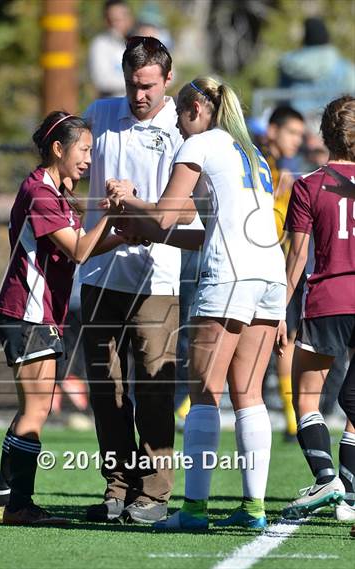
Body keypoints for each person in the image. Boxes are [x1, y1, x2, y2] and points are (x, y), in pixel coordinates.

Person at [110, 76, 287, 530]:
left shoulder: (201, 143)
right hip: (269, 278)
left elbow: (168, 211)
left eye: (179, 116)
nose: (178, 125)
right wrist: (146, 230)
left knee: (204, 393)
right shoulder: (252, 154)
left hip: (227, 279)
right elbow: (204, 231)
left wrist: (130, 201)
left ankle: (193, 511)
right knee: (248, 395)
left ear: (195, 108)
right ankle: (253, 509)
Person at [0, 112, 125, 525]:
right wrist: (114, 217)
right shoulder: (41, 193)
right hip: (27, 313)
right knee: (36, 409)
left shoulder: (53, 190)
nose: (88, 159)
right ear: (58, 149)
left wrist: (116, 234)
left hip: (36, 312)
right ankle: (17, 507)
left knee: (34, 407)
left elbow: (77, 243)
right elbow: (79, 250)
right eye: (83, 149)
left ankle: (4, 499)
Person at [80, 36, 186, 525]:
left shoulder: (182, 127)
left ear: (167, 79)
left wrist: (137, 202)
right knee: (106, 386)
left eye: (146, 86)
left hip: (157, 274)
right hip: (100, 269)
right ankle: (116, 485)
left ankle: (156, 492)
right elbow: (68, 164)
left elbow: (182, 208)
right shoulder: (100, 113)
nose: (137, 95)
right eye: (131, 84)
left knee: (155, 385)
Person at [281, 95, 355, 522]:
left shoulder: (309, 185)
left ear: (325, 135)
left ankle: (327, 478)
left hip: (326, 300)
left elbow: (296, 261)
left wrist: (276, 311)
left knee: (307, 397)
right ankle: (347, 490)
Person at [262, 106, 305, 440]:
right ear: (273, 130)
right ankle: (188, 407)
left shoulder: (291, 171)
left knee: (285, 339)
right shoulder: (258, 162)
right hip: (253, 262)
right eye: (292, 132)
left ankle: (293, 420)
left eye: (300, 136)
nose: (296, 141)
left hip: (280, 264)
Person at [278, 17, 355, 114]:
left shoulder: (289, 64)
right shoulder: (344, 67)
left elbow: (280, 96)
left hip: (296, 122)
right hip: (333, 121)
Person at [88, 0, 134, 98]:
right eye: (111, 20)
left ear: (129, 19)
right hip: (113, 105)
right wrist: (137, 79)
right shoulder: (100, 44)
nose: (115, 24)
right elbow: (101, 80)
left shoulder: (139, 42)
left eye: (119, 19)